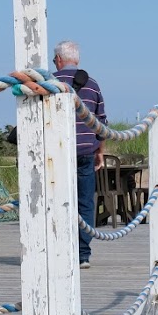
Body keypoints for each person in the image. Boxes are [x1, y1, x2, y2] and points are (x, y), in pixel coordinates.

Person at [52, 40, 106, 270]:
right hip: (85, 151)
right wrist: (100, 152)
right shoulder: (92, 85)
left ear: (60, 60)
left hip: (56, 154)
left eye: (55, 59)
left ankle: (58, 251)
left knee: (55, 202)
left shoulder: (50, 82)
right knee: (85, 203)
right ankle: (83, 254)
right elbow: (101, 122)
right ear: (78, 60)